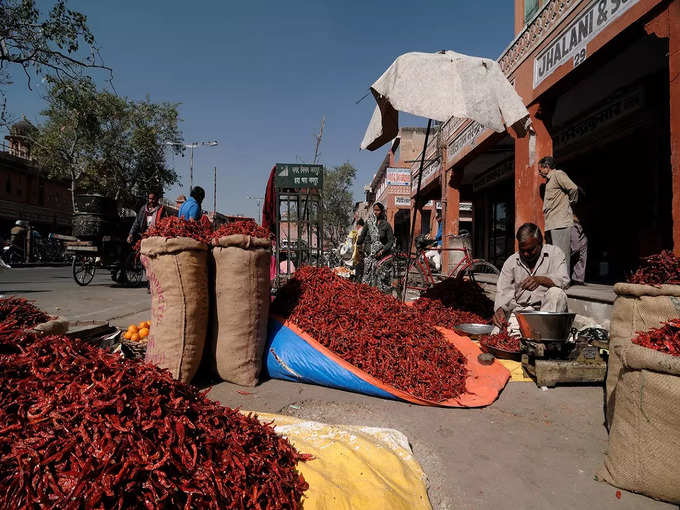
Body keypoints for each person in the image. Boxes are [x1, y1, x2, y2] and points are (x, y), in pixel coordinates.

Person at [492, 223, 570, 336]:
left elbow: (564, 281)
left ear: (540, 243)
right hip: (521, 312)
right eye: (522, 250)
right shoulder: (511, 262)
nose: (526, 254)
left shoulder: (555, 254)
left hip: (546, 310)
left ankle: (546, 340)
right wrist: (500, 310)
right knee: (496, 337)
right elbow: (503, 292)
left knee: (556, 293)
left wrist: (541, 280)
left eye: (530, 250)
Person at [538, 156, 578, 277]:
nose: (539, 172)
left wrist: (571, 203)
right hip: (553, 222)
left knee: (562, 253)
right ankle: (557, 278)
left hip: (560, 221)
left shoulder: (558, 175)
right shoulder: (549, 180)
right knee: (555, 253)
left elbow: (573, 188)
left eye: (540, 169)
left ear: (547, 167)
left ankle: (564, 280)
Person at [357, 202, 395, 293]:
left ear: (382, 211)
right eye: (374, 210)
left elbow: (391, 241)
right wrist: (354, 241)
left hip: (382, 257)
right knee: (367, 278)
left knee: (382, 280)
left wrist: (382, 251)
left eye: (378, 210)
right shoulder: (368, 223)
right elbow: (362, 237)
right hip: (369, 255)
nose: (375, 212)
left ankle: (380, 296)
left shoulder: (386, 225)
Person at [570, 214, 588, 285]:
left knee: (582, 252)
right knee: (575, 248)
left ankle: (578, 279)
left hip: (582, 225)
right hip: (572, 222)